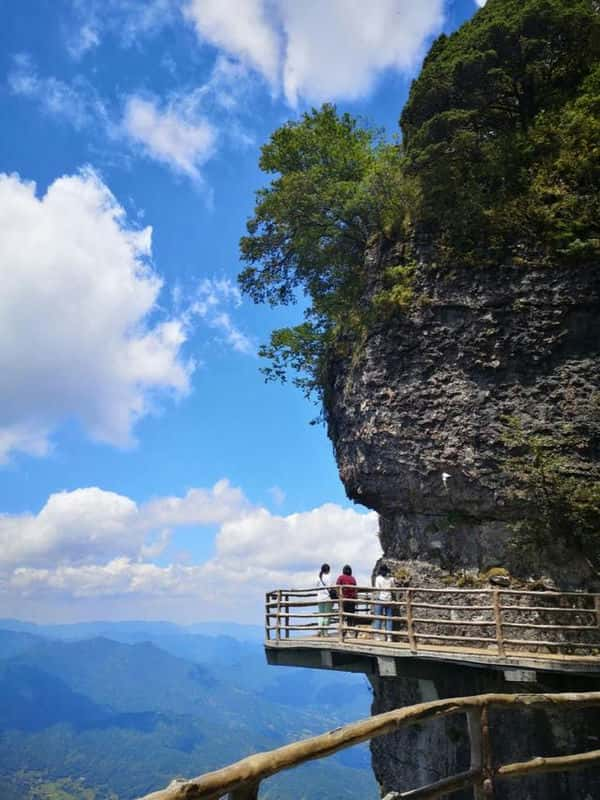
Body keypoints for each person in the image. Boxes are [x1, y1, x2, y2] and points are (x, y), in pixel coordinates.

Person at [372, 563, 395, 642]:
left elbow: (377, 589)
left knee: (378, 618)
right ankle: (389, 637)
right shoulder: (391, 579)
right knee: (389, 619)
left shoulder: (378, 578)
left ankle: (377, 636)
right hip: (389, 600)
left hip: (380, 599)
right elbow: (393, 588)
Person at [336, 564, 358, 638]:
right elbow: (355, 589)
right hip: (351, 600)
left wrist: (339, 596)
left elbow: (337, 587)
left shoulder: (341, 578)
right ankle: (349, 632)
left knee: (342, 616)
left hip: (343, 600)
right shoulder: (353, 578)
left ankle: (342, 632)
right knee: (350, 617)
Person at [316, 563, 332, 636]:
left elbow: (316, 586)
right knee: (327, 615)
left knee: (320, 614)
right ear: (328, 570)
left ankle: (319, 630)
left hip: (319, 598)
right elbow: (331, 587)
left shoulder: (318, 577)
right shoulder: (329, 577)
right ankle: (325, 632)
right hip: (327, 598)